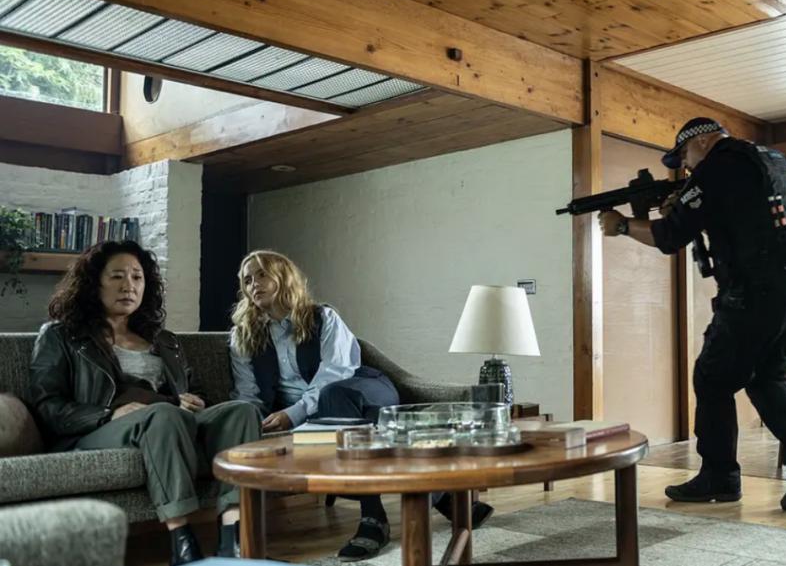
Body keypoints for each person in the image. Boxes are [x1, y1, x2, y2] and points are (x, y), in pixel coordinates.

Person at [598, 117, 786, 511]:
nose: (686, 168)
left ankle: (719, 477)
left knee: (712, 377)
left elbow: (669, 237)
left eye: (685, 156)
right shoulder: (773, 160)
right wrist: (685, 206)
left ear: (703, 141)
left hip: (757, 289)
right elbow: (743, 215)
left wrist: (621, 226)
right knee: (766, 376)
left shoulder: (718, 165)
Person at [228, 250, 493, 561]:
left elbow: (336, 372)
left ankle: (373, 520)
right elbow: (247, 394)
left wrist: (294, 413)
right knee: (354, 418)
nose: (254, 284)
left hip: (362, 388)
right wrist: (254, 421)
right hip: (319, 413)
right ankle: (447, 499)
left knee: (333, 396)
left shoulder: (322, 317)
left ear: (283, 277)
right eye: (247, 280)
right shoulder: (243, 336)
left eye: (261, 274)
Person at [29, 241, 261, 566]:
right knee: (163, 414)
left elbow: (194, 392)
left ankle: (230, 538)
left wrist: (194, 402)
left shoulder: (164, 340)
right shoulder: (61, 335)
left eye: (137, 277)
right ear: (93, 283)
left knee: (241, 412)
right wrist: (108, 414)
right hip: (99, 430)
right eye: (117, 276)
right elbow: (48, 406)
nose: (129, 286)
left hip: (165, 422)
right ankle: (182, 541)